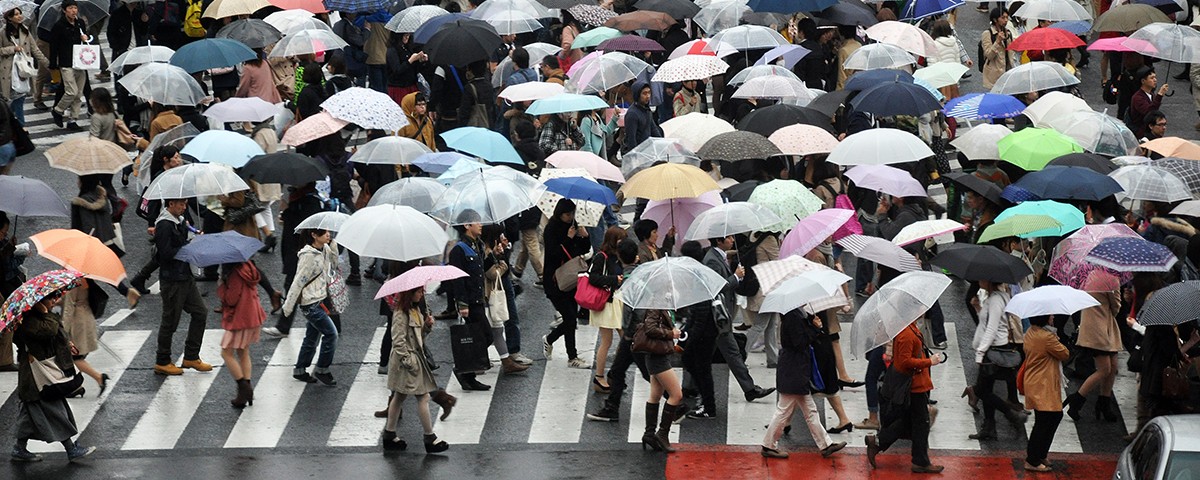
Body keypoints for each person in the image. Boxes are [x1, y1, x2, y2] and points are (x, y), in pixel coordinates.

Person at [10, 288, 97, 462]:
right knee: (56, 411)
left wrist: (67, 343)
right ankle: (71, 449)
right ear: (39, 303)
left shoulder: (37, 317)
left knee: (30, 415)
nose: (53, 303)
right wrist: (48, 314)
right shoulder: (28, 321)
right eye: (49, 301)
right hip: (37, 377)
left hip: (40, 376)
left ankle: (19, 448)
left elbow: (55, 333)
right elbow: (48, 331)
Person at [762, 309, 848, 459]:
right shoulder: (793, 316)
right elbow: (799, 342)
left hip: (795, 368)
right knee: (784, 410)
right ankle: (768, 445)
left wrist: (812, 324)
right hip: (794, 369)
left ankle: (825, 445)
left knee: (809, 410)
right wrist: (815, 327)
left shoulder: (793, 314)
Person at [866, 321, 945, 474]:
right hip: (914, 386)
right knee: (921, 423)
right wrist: (929, 361)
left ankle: (878, 442)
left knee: (912, 421)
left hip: (917, 384)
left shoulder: (910, 328)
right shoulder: (906, 334)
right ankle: (920, 462)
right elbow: (904, 362)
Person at [381, 285, 450, 453]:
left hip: (412, 359)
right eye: (419, 291)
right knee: (423, 397)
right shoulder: (400, 313)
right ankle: (429, 437)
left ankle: (389, 435)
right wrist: (409, 361)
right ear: (409, 293)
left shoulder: (414, 310)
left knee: (399, 396)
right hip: (406, 362)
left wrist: (426, 326)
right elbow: (398, 341)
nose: (422, 294)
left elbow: (419, 337)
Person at [153, 198, 212, 376]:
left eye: (185, 204)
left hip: (185, 276)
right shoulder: (164, 225)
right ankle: (162, 361)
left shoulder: (179, 221)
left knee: (200, 313)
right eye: (181, 204)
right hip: (172, 280)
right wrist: (189, 246)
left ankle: (191, 356)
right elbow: (165, 254)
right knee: (170, 321)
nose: (184, 207)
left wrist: (194, 237)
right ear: (171, 204)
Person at [967, 280, 1027, 440]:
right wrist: (978, 307)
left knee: (981, 390)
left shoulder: (995, 300)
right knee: (986, 389)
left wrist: (980, 353)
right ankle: (989, 426)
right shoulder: (996, 297)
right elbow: (987, 322)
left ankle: (1012, 414)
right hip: (994, 348)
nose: (979, 281)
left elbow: (992, 329)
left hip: (993, 350)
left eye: (981, 278)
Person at [281, 228, 340, 386]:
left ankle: (300, 370)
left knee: (312, 337)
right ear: (314, 235)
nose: (328, 234)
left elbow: (333, 266)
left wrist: (333, 247)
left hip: (321, 299)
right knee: (331, 334)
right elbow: (298, 280)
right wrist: (288, 307)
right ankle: (322, 370)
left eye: (329, 232)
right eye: (324, 233)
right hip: (310, 303)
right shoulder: (308, 256)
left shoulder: (325, 248)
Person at [542, 199, 593, 369]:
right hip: (555, 280)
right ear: (559, 213)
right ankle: (551, 340)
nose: (570, 217)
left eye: (572, 214)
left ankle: (572, 356)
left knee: (571, 319)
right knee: (570, 318)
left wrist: (585, 236)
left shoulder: (573, 225)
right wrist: (568, 238)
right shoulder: (551, 229)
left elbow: (584, 250)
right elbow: (555, 254)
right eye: (567, 214)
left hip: (572, 279)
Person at [447, 210, 494, 390]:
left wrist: (495, 253)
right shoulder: (459, 250)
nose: (480, 224)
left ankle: (467, 372)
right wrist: (462, 304)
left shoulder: (477, 244)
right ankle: (464, 371)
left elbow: (481, 269)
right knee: (483, 336)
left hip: (479, 299)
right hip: (470, 302)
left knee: (481, 337)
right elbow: (457, 279)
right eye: (477, 222)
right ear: (467, 226)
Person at [1063, 290, 1123, 421]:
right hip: (1101, 329)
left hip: (1095, 325)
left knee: (1112, 366)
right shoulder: (1110, 280)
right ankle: (1077, 399)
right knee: (1105, 370)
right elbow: (1116, 306)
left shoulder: (1088, 276)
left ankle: (1104, 403)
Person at [1022, 314, 1070, 472]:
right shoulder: (1047, 337)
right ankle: (1033, 459)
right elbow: (1064, 354)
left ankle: (1040, 454)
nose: (1053, 316)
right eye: (1050, 314)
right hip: (1043, 384)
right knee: (1046, 420)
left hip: (1036, 382)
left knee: (1048, 418)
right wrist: (1056, 338)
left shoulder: (1031, 332)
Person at [633, 309, 684, 453]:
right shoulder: (656, 304)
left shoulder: (661, 303)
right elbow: (650, 329)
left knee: (655, 395)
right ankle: (662, 434)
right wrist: (671, 333)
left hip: (657, 355)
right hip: (657, 357)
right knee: (676, 395)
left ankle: (649, 434)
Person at [216, 260, 265, 408]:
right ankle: (246, 392)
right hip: (252, 314)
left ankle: (244, 387)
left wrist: (222, 286)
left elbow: (231, 299)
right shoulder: (248, 267)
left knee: (226, 353)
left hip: (240, 318)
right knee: (243, 351)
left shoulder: (235, 273)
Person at [481, 224, 528, 374]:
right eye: (499, 236)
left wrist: (502, 252)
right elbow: (493, 273)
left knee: (497, 328)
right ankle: (480, 360)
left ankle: (507, 360)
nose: (502, 238)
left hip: (496, 290)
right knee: (489, 330)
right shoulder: (485, 251)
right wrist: (502, 262)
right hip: (488, 294)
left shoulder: (491, 250)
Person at [588, 227, 627, 393]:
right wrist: (614, 279)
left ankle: (612, 373)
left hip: (618, 301)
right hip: (607, 302)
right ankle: (600, 377)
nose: (623, 242)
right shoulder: (601, 257)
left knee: (625, 340)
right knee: (608, 341)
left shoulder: (619, 256)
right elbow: (593, 278)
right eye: (620, 239)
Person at [0, 7, 48, 126]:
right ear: (9, 18)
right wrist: (13, 49)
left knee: (20, 97)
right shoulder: (2, 32)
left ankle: (13, 125)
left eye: (20, 13)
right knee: (14, 98)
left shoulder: (24, 30)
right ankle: (19, 125)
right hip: (9, 71)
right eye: (16, 14)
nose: (19, 16)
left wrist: (47, 63)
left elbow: (35, 49)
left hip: (23, 69)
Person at [47, 0, 88, 131]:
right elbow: (53, 46)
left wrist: (86, 38)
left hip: (80, 62)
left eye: (75, 8)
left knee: (78, 94)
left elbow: (86, 43)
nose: (73, 11)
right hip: (66, 62)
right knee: (71, 91)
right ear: (64, 10)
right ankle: (58, 110)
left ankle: (73, 120)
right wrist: (53, 63)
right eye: (70, 8)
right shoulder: (59, 26)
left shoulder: (80, 23)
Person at [60, 280, 107, 395]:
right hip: (86, 316)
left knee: (73, 357)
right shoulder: (85, 279)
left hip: (77, 322)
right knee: (73, 356)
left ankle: (98, 377)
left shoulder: (73, 282)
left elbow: (68, 308)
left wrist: (63, 330)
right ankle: (77, 385)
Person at [1127, 66, 1167, 138]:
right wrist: (1160, 95)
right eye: (1151, 78)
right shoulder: (1137, 98)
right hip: (1141, 133)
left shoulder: (1151, 94)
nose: (1155, 80)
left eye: (1155, 77)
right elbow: (1149, 113)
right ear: (1143, 81)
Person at [622, 81, 661, 154]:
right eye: (644, 93)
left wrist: (661, 143)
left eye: (649, 92)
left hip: (648, 151)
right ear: (637, 95)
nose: (648, 96)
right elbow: (631, 139)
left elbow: (653, 129)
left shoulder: (647, 110)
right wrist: (636, 156)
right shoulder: (632, 114)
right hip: (638, 153)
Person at [982, 8, 1013, 90]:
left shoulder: (1008, 33)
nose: (1006, 20)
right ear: (995, 19)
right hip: (994, 76)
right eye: (1003, 18)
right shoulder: (987, 34)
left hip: (1007, 73)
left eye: (1007, 17)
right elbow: (988, 55)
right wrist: (997, 42)